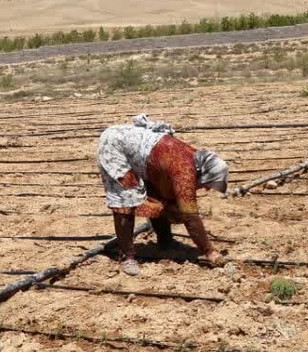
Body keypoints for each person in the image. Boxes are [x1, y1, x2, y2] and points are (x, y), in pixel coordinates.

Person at [97, 115, 228, 275]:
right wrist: (209, 252)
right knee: (125, 200)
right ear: (206, 174)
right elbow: (190, 215)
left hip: (141, 151)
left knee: (159, 196)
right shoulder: (184, 170)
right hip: (115, 146)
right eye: (208, 184)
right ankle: (127, 257)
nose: (207, 189)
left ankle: (165, 241)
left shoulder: (194, 159)